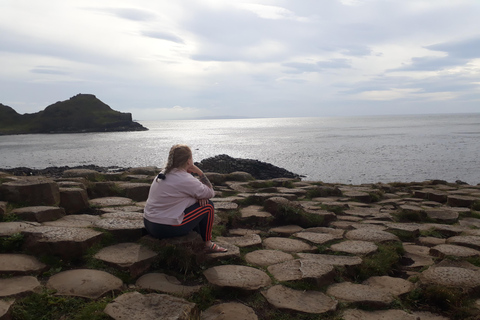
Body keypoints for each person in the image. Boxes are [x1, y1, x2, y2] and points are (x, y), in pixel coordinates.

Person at [143, 144, 227, 253]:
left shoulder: (163, 173)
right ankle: (208, 244)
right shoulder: (184, 178)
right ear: (188, 161)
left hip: (149, 223)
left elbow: (178, 196)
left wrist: (197, 198)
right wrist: (199, 172)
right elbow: (210, 192)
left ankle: (198, 236)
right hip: (163, 228)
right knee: (208, 206)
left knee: (198, 203)